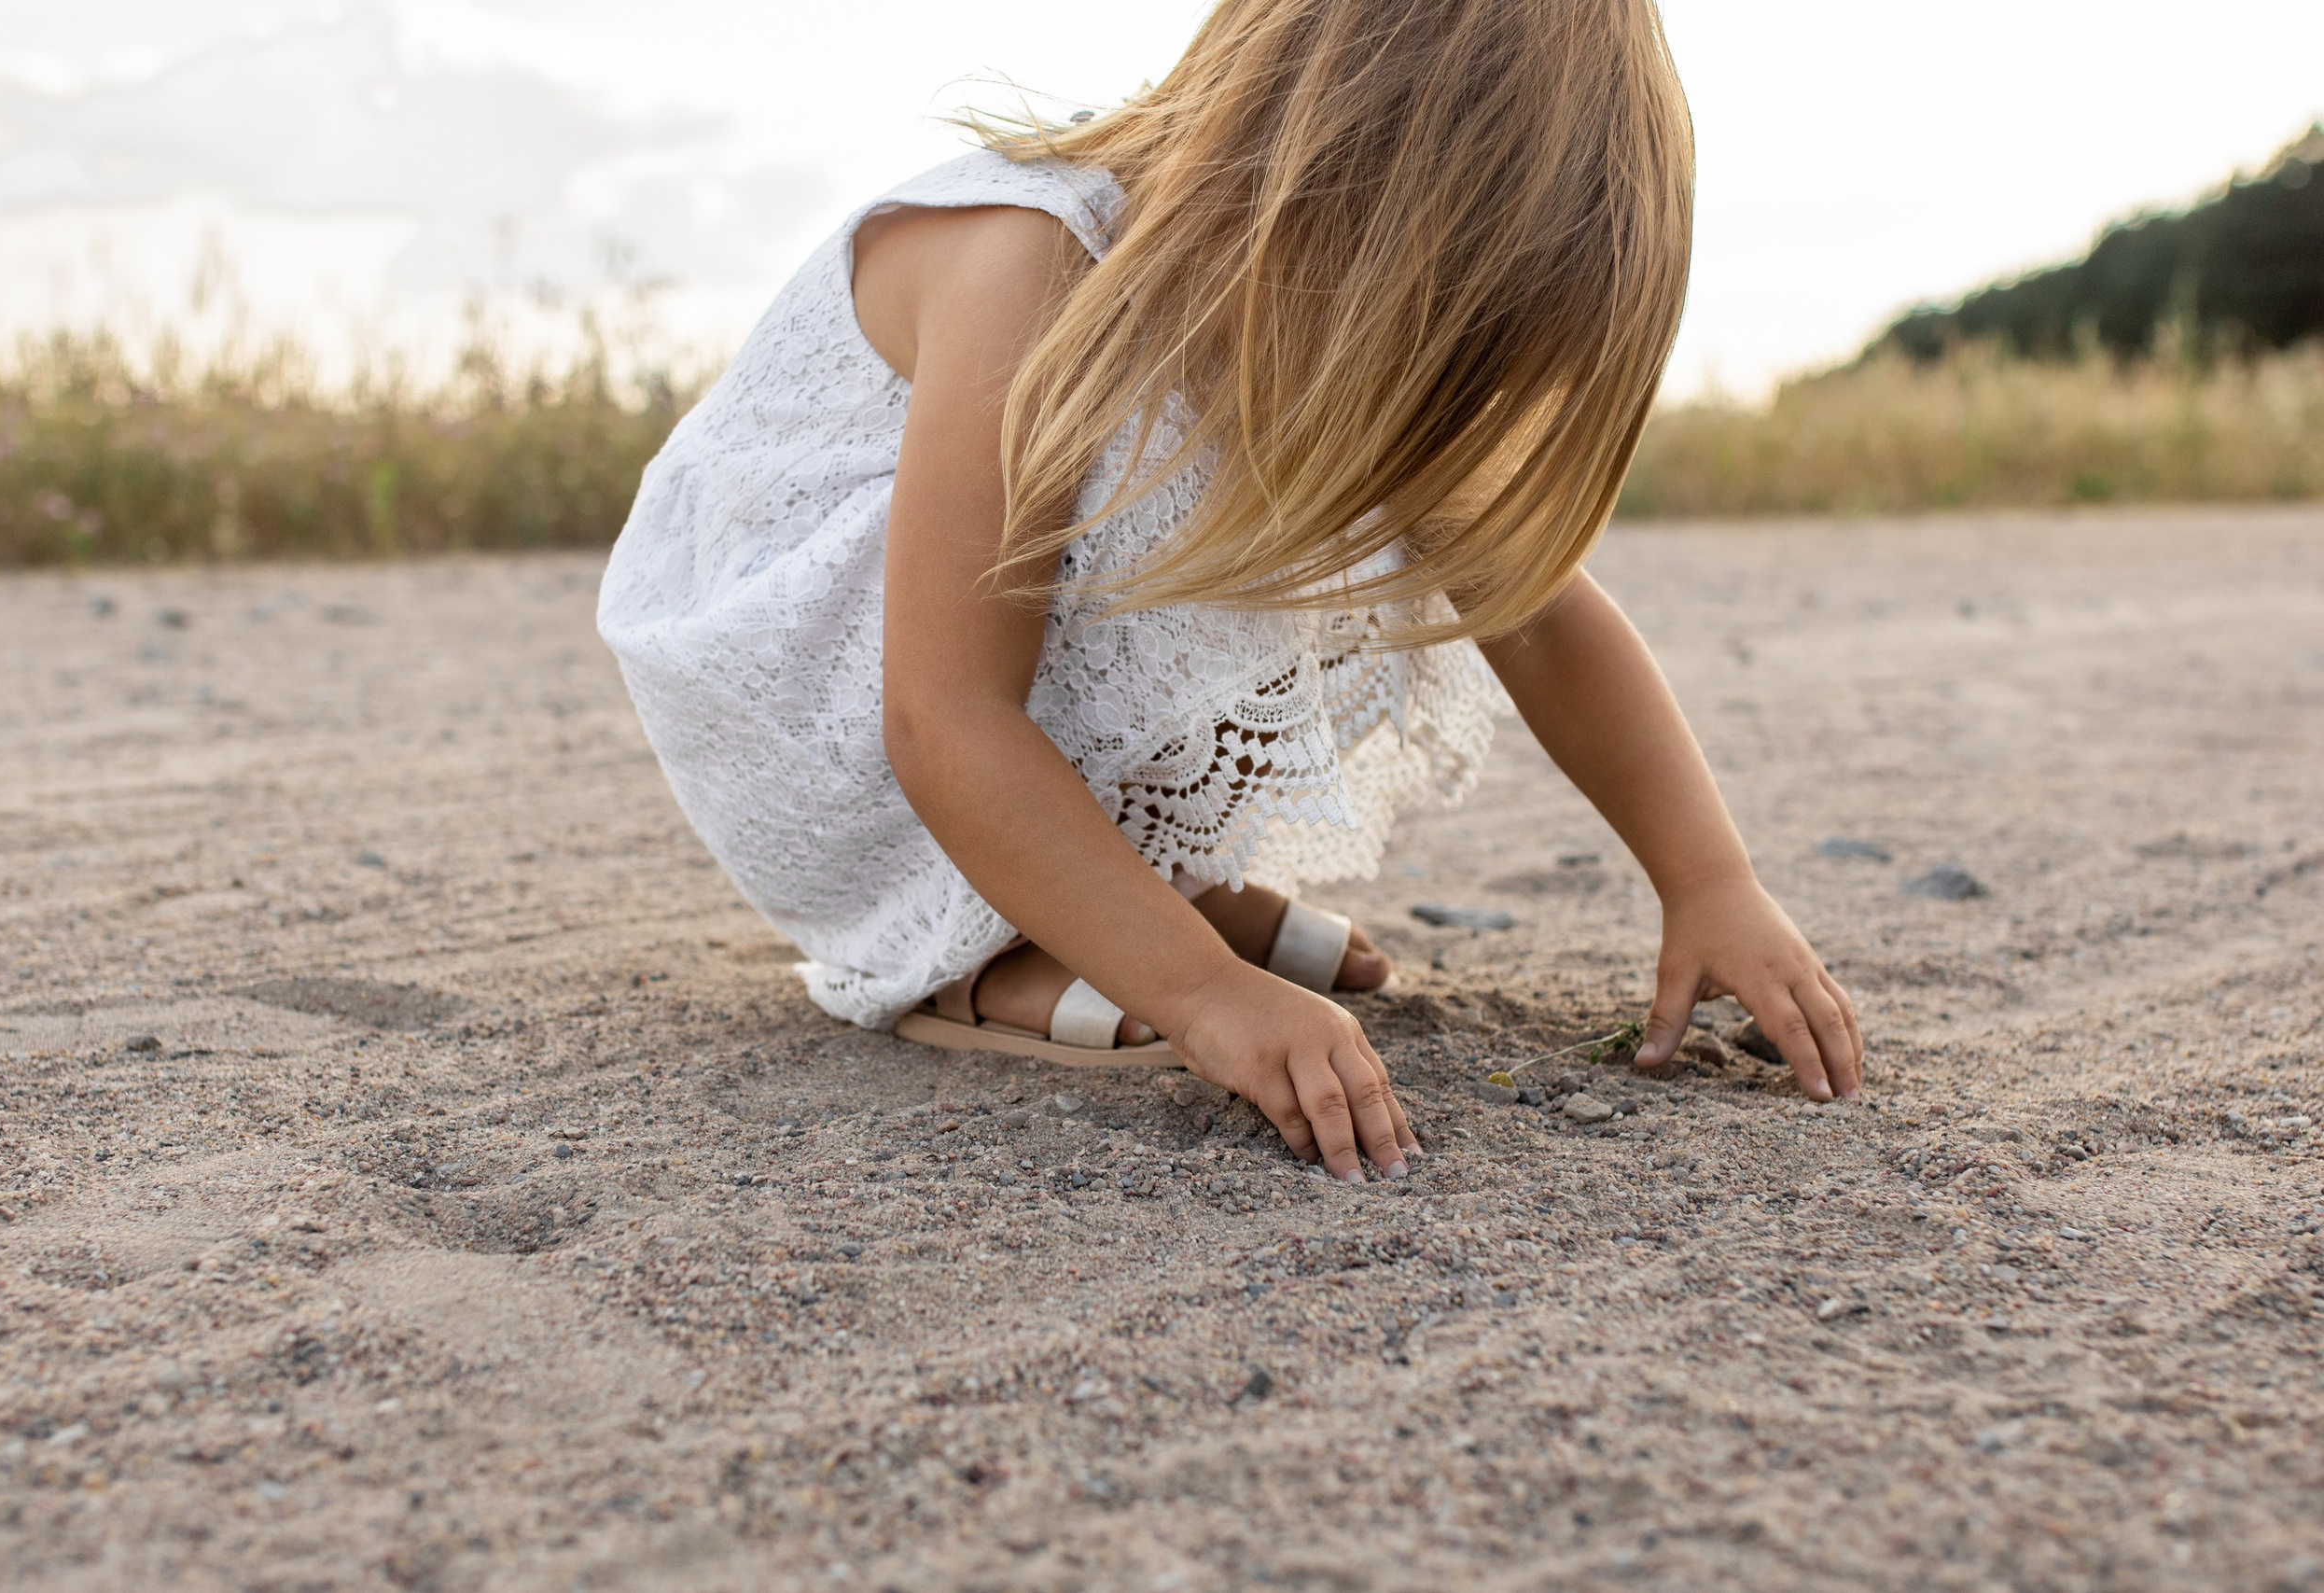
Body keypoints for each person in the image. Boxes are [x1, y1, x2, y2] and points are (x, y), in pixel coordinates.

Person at [597, 0, 1862, 1189]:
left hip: (948, 707)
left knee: (1335, 499)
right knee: (1178, 515)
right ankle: (975, 956)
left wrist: (1709, 881)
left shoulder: (1269, 286)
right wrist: (1207, 994)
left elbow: (1538, 606)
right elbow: (945, 716)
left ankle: (1125, 886)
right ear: (1309, 178)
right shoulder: (1023, 263)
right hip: (815, 716)